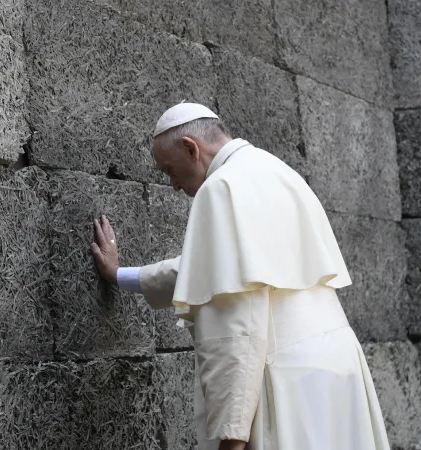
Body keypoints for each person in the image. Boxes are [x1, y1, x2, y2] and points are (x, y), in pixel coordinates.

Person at [90, 103, 390, 450]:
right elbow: (213, 270)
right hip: (339, 367)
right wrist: (118, 275)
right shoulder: (277, 170)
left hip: (285, 379)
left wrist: (232, 433)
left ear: (191, 148)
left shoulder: (220, 188)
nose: (172, 185)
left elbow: (237, 325)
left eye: (170, 170)